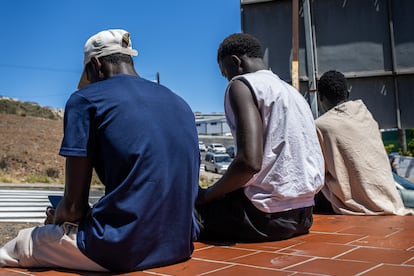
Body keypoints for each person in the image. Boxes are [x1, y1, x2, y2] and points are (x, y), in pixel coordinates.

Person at [0, 29, 200, 272]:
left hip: (121, 247)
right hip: (179, 244)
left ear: (96, 64)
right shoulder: (179, 102)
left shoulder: (85, 100)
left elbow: (74, 208)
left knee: (19, 246)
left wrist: (56, 218)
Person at [195, 33, 324, 243]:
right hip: (304, 214)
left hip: (264, 217)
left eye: (225, 72)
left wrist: (207, 194)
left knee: (186, 212)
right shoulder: (293, 93)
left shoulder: (242, 85)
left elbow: (248, 163)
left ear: (235, 62)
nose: (227, 78)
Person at [314, 70, 413, 215]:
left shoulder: (320, 126)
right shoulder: (366, 116)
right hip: (390, 199)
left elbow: (315, 172)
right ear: (347, 94)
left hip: (353, 204)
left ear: (320, 97)